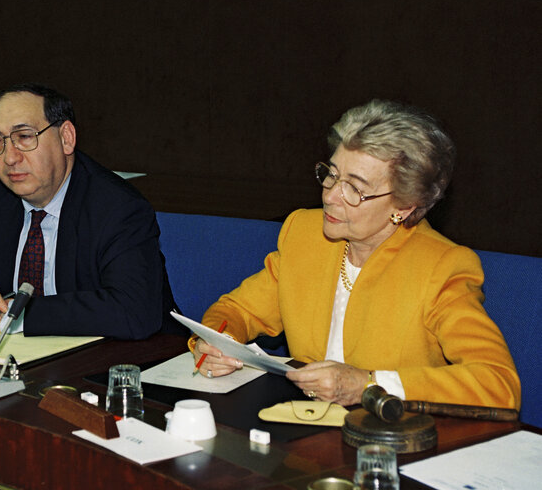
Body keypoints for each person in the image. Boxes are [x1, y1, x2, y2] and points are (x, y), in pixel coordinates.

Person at [192, 99, 521, 409]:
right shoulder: (305, 234)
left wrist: (369, 384)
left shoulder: (440, 267)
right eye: (332, 174)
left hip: (389, 441)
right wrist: (219, 342)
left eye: (355, 188)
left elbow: (498, 383)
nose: (331, 196)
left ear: (403, 207)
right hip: (301, 431)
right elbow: (235, 311)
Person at [0, 83, 177, 340]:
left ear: (66, 138)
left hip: (123, 364)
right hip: (18, 362)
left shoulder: (116, 207)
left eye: (24, 137)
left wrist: (11, 315)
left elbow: (134, 310)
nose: (10, 157)